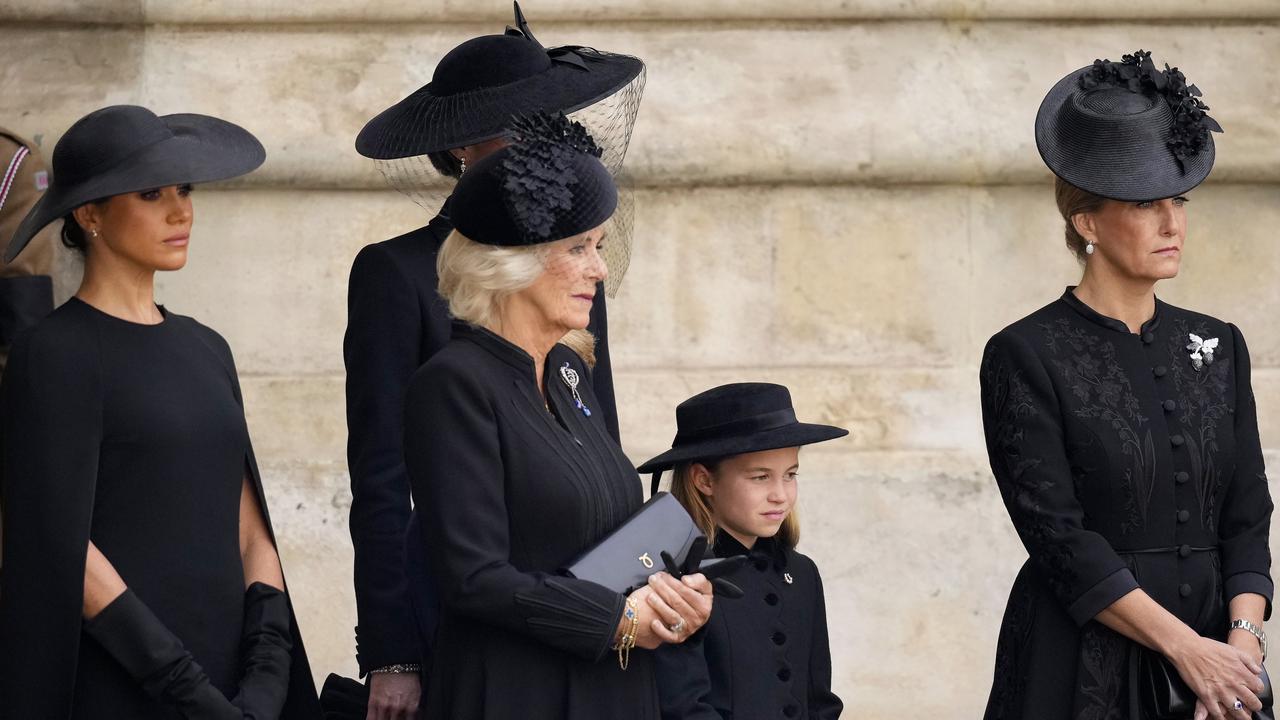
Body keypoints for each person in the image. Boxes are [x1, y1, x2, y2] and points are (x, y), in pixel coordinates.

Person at [345, 6, 644, 713]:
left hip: (585, 614)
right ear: (461, 150)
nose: (544, 145)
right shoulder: (396, 273)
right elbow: (382, 475)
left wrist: (636, 587)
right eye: (519, 127)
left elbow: (599, 441)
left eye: (549, 121)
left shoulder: (570, 270)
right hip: (460, 609)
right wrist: (392, 651)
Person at [0, 105, 320, 719]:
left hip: (236, 683)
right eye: (151, 193)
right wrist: (185, 689)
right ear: (89, 213)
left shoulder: (207, 346)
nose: (181, 211)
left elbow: (251, 528)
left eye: (185, 189)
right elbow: (62, 547)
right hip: (123, 682)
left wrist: (266, 673)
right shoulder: (53, 354)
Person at [981, 50, 1272, 720]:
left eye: (1179, 200)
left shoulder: (1218, 344)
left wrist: (1241, 647)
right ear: (1087, 223)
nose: (1174, 224)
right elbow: (1059, 538)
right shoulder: (1024, 353)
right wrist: (1187, 651)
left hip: (1221, 668)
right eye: (1147, 204)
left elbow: (1247, 514)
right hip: (1080, 667)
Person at [402, 112, 712, 719]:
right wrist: (617, 620)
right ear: (511, 262)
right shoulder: (454, 384)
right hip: (517, 692)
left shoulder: (571, 374)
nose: (599, 269)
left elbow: (607, 536)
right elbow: (473, 576)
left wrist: (676, 596)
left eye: (597, 246)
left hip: (613, 688)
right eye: (578, 248)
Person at [640, 382, 846, 720]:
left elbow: (820, 700)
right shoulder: (678, 582)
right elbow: (682, 707)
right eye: (760, 477)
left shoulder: (802, 573)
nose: (780, 495)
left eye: (790, 475)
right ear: (704, 480)